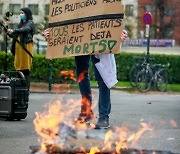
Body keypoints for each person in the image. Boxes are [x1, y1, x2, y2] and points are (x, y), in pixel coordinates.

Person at [44, 28, 128, 129]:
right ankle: (86, 112)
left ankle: (103, 116)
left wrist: (118, 31)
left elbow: (111, 16)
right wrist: (52, 33)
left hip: (99, 36)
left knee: (103, 77)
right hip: (81, 38)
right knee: (81, 76)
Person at [7, 7, 35, 92]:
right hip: (18, 48)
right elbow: (14, 35)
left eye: (22, 13)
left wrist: (14, 31)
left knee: (25, 69)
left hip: (26, 47)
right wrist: (8, 30)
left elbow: (25, 29)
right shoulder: (19, 24)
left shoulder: (30, 23)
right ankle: (20, 88)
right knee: (18, 69)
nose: (21, 15)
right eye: (20, 13)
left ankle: (26, 89)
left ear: (27, 14)